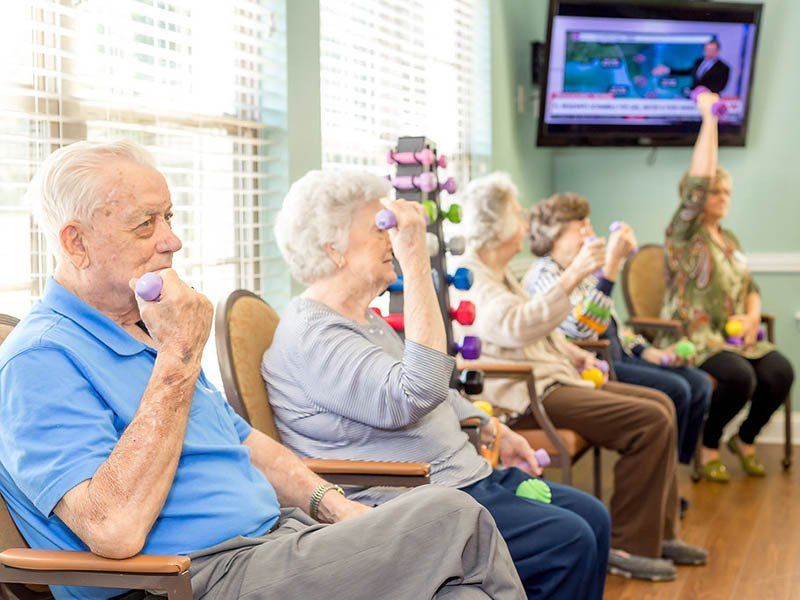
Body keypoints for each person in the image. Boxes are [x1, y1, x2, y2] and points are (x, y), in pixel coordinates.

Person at [0, 141, 527, 600]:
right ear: (76, 242)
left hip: (272, 544)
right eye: (145, 224)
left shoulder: (142, 330)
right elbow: (113, 528)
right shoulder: (40, 359)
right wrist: (180, 359)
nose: (171, 241)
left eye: (169, 217)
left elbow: (240, 438)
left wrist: (330, 503)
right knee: (454, 517)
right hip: (189, 580)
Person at [262, 169, 611, 599]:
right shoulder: (314, 335)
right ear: (333, 249)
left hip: (461, 477)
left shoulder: (362, 319)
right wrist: (415, 260)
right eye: (379, 228)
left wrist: (489, 423)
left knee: (592, 516)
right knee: (568, 540)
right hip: (411, 500)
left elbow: (437, 392)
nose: (390, 237)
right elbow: (415, 392)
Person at [456, 172, 709, 582]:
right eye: (518, 215)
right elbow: (516, 326)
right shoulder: (471, 277)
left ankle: (659, 535)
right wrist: (575, 277)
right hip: (525, 393)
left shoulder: (499, 274)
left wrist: (571, 351)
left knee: (662, 404)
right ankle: (628, 545)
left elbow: (546, 331)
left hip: (552, 379)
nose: (524, 224)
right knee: (649, 420)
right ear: (498, 225)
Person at [661, 91, 795, 482]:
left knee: (780, 372)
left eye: (727, 192)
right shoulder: (684, 235)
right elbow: (699, 179)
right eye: (715, 191)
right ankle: (710, 442)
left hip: (736, 337)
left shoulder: (728, 237)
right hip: (697, 337)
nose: (722, 198)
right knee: (740, 378)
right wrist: (710, 120)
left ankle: (746, 438)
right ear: (697, 198)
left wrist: (753, 315)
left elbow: (749, 284)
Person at [523, 194, 711, 467]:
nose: (590, 234)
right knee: (679, 390)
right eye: (581, 228)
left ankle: (672, 468)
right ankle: (663, 470)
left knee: (699, 383)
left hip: (620, 356)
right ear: (554, 236)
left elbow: (616, 328)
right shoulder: (544, 275)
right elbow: (581, 330)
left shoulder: (584, 274)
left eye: (589, 225)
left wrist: (650, 352)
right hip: (594, 365)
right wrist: (611, 268)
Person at [652, 38, 730, 94]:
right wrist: (667, 70)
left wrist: (706, 92)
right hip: (693, 99)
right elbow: (688, 72)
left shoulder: (723, 68)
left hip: (710, 102)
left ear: (717, 51)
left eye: (712, 50)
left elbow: (720, 87)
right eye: (707, 49)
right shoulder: (699, 61)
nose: (708, 52)